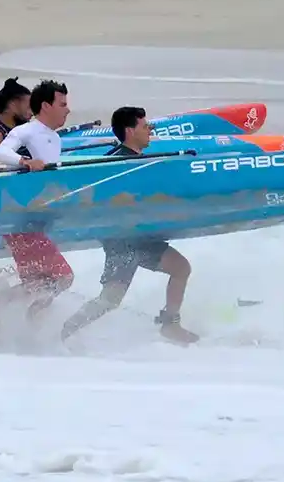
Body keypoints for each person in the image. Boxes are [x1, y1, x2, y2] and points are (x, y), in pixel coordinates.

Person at [61, 106, 198, 345]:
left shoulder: (135, 159)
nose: (150, 131)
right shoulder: (115, 163)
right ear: (130, 131)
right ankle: (64, 331)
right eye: (145, 127)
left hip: (140, 238)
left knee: (180, 268)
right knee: (110, 299)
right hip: (122, 241)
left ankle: (170, 325)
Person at [0, 79, 75, 309]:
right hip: (21, 221)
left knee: (40, 282)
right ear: (46, 106)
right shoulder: (26, 130)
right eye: (63, 104)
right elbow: (0, 152)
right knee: (63, 277)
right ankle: (5, 309)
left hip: (35, 221)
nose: (68, 110)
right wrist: (25, 162)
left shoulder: (55, 137)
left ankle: (10, 318)